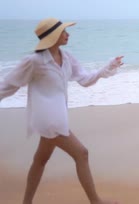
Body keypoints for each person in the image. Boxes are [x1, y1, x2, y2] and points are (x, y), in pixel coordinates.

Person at [0, 18, 124, 204]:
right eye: (63, 31)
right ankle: (96, 202)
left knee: (40, 160)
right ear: (53, 36)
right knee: (82, 153)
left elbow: (85, 80)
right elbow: (9, 85)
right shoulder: (34, 61)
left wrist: (108, 67)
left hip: (58, 115)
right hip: (47, 118)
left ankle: (26, 202)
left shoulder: (67, 58)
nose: (68, 34)